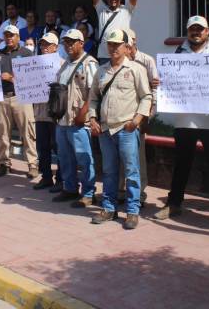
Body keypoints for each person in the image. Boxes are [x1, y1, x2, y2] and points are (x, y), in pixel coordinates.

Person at [153, 16, 209, 229]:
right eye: (192, 29)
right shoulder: (178, 54)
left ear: (208, 31)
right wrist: (159, 82)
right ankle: (174, 204)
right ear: (187, 31)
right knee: (182, 163)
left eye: (200, 29)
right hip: (185, 119)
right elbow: (167, 81)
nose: (196, 32)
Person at [88, 29, 152, 230]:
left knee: (131, 171)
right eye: (110, 44)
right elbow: (93, 98)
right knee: (108, 171)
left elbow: (146, 97)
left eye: (117, 44)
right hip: (106, 130)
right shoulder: (101, 70)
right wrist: (92, 118)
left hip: (126, 128)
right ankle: (109, 208)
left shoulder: (135, 69)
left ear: (126, 47)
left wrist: (137, 120)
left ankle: (132, 211)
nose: (114, 48)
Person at [52, 28, 99, 205]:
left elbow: (94, 93)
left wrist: (84, 113)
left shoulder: (89, 64)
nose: (69, 45)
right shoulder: (65, 64)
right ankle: (70, 188)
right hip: (62, 120)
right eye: (66, 42)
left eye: (72, 42)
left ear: (82, 43)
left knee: (84, 158)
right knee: (65, 158)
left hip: (79, 120)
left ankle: (88, 193)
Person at [0, 24, 38, 178]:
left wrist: (11, 78)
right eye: (7, 35)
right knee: (2, 133)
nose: (9, 38)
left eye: (12, 35)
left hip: (21, 97)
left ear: (18, 37)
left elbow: (33, 78)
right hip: (2, 98)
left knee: (28, 132)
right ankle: (4, 163)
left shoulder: (26, 54)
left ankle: (32, 164)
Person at [118, 28, 157, 205]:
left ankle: (139, 192)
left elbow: (154, 90)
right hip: (120, 115)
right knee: (119, 155)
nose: (127, 44)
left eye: (129, 41)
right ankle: (119, 189)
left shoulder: (147, 60)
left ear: (134, 41)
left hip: (139, 115)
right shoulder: (117, 62)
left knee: (138, 156)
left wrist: (147, 115)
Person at [31, 32, 65, 190]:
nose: (44, 47)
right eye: (42, 44)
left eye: (48, 45)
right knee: (42, 147)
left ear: (56, 47)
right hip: (39, 112)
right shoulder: (33, 64)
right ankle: (46, 177)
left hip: (56, 114)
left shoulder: (63, 64)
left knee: (59, 147)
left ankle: (61, 179)